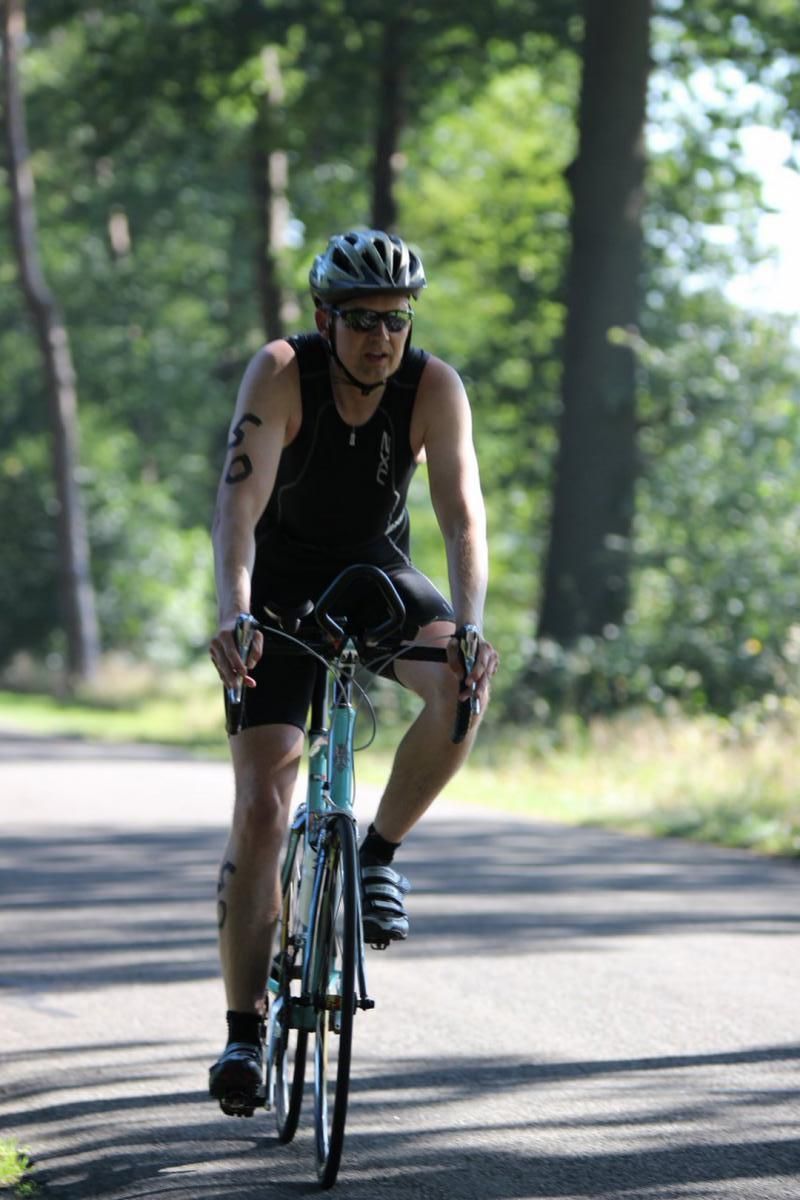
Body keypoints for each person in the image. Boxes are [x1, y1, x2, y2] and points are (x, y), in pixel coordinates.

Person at [206, 229, 498, 1116]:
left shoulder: (432, 387)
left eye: (397, 320)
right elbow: (238, 504)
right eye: (364, 320)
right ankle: (243, 1031)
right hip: (282, 583)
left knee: (460, 689)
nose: (382, 337)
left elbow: (461, 516)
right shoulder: (281, 372)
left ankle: (376, 855)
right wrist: (233, 608)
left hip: (375, 571)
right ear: (327, 319)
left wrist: (473, 626)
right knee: (262, 809)